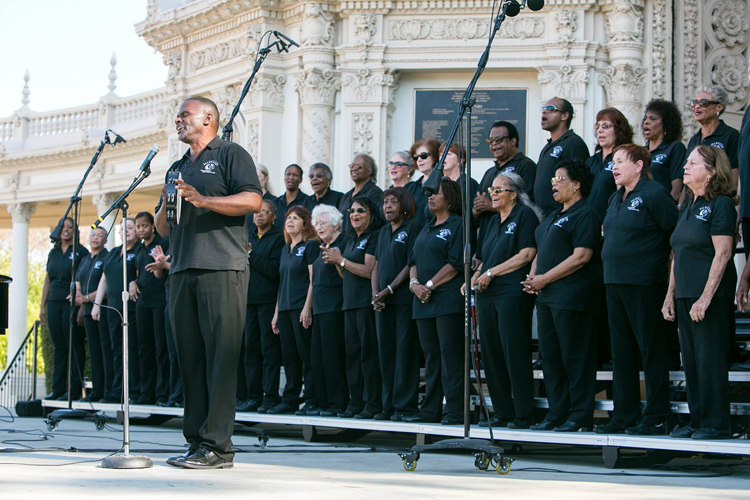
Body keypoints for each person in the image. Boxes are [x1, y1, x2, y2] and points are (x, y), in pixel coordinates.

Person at [154, 96, 262, 469]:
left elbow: (253, 201)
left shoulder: (230, 153)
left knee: (220, 358)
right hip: (182, 269)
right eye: (178, 115)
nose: (178, 119)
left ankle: (219, 447)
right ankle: (196, 441)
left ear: (208, 118)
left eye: (185, 114)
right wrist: (168, 202)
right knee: (191, 359)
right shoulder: (177, 167)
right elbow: (162, 227)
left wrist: (203, 200)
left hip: (222, 267)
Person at [595, 144, 679, 436]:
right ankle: (625, 414)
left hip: (645, 283)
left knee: (650, 350)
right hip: (614, 283)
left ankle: (656, 415)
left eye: (620, 161)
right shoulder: (615, 198)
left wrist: (668, 281)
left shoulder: (655, 194)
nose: (614, 167)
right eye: (613, 162)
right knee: (621, 353)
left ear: (640, 165)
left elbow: (675, 236)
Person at [663, 145, 737, 440]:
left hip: (710, 296)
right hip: (684, 294)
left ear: (710, 170)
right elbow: (676, 253)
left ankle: (716, 424)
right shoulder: (688, 204)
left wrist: (705, 298)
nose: (685, 166)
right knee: (691, 362)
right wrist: (670, 295)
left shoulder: (719, 204)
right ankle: (697, 421)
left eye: (692, 163)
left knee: (710, 361)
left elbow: (723, 252)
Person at [522, 159, 601, 432]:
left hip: (572, 298)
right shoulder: (555, 215)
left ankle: (579, 416)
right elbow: (541, 251)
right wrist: (534, 276)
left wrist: (544, 278)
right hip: (546, 298)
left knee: (574, 358)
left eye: (560, 178)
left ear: (577, 184)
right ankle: (556, 413)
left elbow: (581, 256)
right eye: (553, 179)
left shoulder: (585, 214)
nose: (553, 183)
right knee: (552, 359)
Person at [469, 172, 540, 429]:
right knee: (491, 353)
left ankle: (523, 413)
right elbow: (485, 259)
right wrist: (475, 276)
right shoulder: (490, 221)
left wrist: (490, 273)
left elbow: (527, 254)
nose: (493, 194)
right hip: (487, 293)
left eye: (499, 190)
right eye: (492, 189)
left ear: (514, 193)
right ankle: (502, 411)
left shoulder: (524, 215)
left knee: (514, 350)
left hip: (511, 291)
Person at [404, 179, 464, 425]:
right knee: (431, 358)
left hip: (447, 300)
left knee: (450, 357)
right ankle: (430, 410)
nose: (429, 197)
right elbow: (412, 261)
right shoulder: (425, 227)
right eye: (428, 193)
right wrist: (414, 284)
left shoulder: (457, 224)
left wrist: (429, 285)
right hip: (422, 301)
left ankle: (456, 411)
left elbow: (455, 263)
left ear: (449, 198)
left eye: (435, 193)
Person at [321, 198, 381, 419]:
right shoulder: (348, 240)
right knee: (353, 355)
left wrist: (342, 260)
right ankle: (355, 402)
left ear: (371, 215)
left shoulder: (373, 236)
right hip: (349, 303)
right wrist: (337, 262)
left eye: (361, 211)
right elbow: (344, 273)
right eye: (352, 211)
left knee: (368, 355)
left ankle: (372, 403)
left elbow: (368, 270)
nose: (355, 214)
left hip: (366, 303)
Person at [371, 187, 421, 421]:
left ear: (405, 205)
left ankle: (405, 406)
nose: (388, 206)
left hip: (402, 300)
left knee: (404, 353)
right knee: (386, 354)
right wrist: (376, 294)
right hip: (382, 303)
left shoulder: (413, 227)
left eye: (393, 202)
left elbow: (410, 263)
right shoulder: (382, 232)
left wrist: (389, 290)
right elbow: (377, 265)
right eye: (385, 202)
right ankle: (387, 405)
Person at [270, 206, 319, 415]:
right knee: (289, 356)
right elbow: (282, 282)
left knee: (305, 355)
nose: (290, 221)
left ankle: (312, 399)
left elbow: (313, 280)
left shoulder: (310, 247)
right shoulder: (285, 249)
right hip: (285, 309)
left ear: (304, 223)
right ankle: (289, 399)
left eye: (295, 218)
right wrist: (276, 313)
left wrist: (307, 307)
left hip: (301, 307)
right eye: (288, 218)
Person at [239, 200, 285, 413]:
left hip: (267, 301)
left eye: (264, 212)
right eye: (256, 212)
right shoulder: (248, 237)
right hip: (248, 300)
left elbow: (274, 269)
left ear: (273, 216)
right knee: (251, 351)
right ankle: (253, 396)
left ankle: (270, 396)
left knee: (269, 351)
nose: (258, 215)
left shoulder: (277, 238)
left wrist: (251, 255)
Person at [92, 218, 141, 404]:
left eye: (129, 228)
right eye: (122, 229)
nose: (126, 231)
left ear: (136, 231)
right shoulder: (112, 253)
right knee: (116, 349)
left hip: (132, 306)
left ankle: (134, 390)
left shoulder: (138, 251)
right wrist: (97, 305)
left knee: (132, 348)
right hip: (112, 307)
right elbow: (103, 280)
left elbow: (141, 274)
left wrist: (135, 281)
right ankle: (117, 390)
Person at [40, 217, 88, 401]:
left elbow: (84, 277)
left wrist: (82, 304)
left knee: (74, 346)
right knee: (59, 347)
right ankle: (57, 389)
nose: (66, 230)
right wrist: (42, 306)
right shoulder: (52, 253)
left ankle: (74, 391)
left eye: (70, 227)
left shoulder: (81, 252)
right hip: (54, 301)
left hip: (71, 303)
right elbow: (47, 280)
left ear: (75, 231)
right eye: (63, 227)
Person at [310, 204, 350, 416]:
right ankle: (322, 402)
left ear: (336, 224)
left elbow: (346, 275)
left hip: (335, 307)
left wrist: (338, 261)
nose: (319, 227)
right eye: (316, 224)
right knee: (318, 357)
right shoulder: (320, 246)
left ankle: (337, 403)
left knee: (333, 357)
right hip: (318, 309)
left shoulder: (341, 244)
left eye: (323, 222)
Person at [131, 211, 170, 405]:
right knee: (144, 348)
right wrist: (133, 283)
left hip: (159, 300)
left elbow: (161, 274)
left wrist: (159, 268)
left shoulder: (161, 243)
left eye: (144, 226)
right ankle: (146, 392)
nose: (140, 230)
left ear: (152, 226)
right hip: (143, 302)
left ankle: (162, 393)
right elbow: (137, 273)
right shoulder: (138, 249)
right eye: (138, 226)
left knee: (160, 348)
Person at [534, 98, 590, 217]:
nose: (544, 113)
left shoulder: (573, 143)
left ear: (564, 116)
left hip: (564, 217)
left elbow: (581, 181)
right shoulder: (547, 146)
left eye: (550, 109)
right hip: (545, 218)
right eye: (543, 109)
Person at [75, 226, 111, 402]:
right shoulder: (84, 260)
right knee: (94, 351)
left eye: (100, 236)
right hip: (88, 311)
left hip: (101, 309)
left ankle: (106, 390)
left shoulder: (106, 257)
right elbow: (78, 282)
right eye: (93, 235)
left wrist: (86, 298)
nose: (95, 238)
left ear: (105, 240)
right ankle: (96, 390)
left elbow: (104, 285)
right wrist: (79, 299)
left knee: (104, 350)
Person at [586, 107, 634, 223]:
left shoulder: (626, 159)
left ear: (619, 130)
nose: (600, 130)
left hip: (610, 222)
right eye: (598, 126)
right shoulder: (591, 161)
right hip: (587, 223)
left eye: (606, 126)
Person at [686, 85, 740, 187]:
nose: (697, 106)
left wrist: (728, 199)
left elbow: (733, 172)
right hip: (694, 201)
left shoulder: (731, 135)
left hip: (718, 198)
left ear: (719, 107)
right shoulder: (694, 139)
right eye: (694, 103)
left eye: (703, 103)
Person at [643, 99, 687, 202]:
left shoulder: (675, 148)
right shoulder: (641, 151)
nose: (646, 122)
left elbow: (677, 190)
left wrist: (665, 210)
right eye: (645, 118)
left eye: (653, 119)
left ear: (666, 124)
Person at [440, 141, 479, 251]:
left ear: (460, 161)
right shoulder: (437, 185)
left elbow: (474, 218)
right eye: (441, 154)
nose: (443, 157)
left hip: (460, 240)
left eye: (448, 154)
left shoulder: (470, 184)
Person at [339, 153, 384, 231]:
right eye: (352, 166)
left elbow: (376, 222)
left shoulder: (375, 193)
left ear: (369, 171)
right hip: (346, 242)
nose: (354, 169)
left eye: (359, 167)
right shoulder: (346, 196)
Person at [407, 138, 440, 226]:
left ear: (435, 156)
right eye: (416, 157)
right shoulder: (411, 187)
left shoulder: (444, 185)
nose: (419, 160)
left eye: (423, 155)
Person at [273, 164, 308, 229]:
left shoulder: (308, 201)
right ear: (284, 177)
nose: (291, 177)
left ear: (301, 179)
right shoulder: (275, 203)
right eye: (288, 174)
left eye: (295, 175)